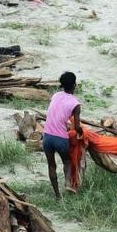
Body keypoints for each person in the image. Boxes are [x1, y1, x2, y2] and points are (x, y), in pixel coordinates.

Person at [43, 72, 83, 200]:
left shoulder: (55, 95)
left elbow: (56, 112)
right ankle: (67, 183)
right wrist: (81, 132)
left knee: (51, 165)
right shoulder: (75, 103)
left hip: (47, 136)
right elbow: (76, 127)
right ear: (74, 85)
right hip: (60, 138)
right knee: (67, 162)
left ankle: (57, 196)